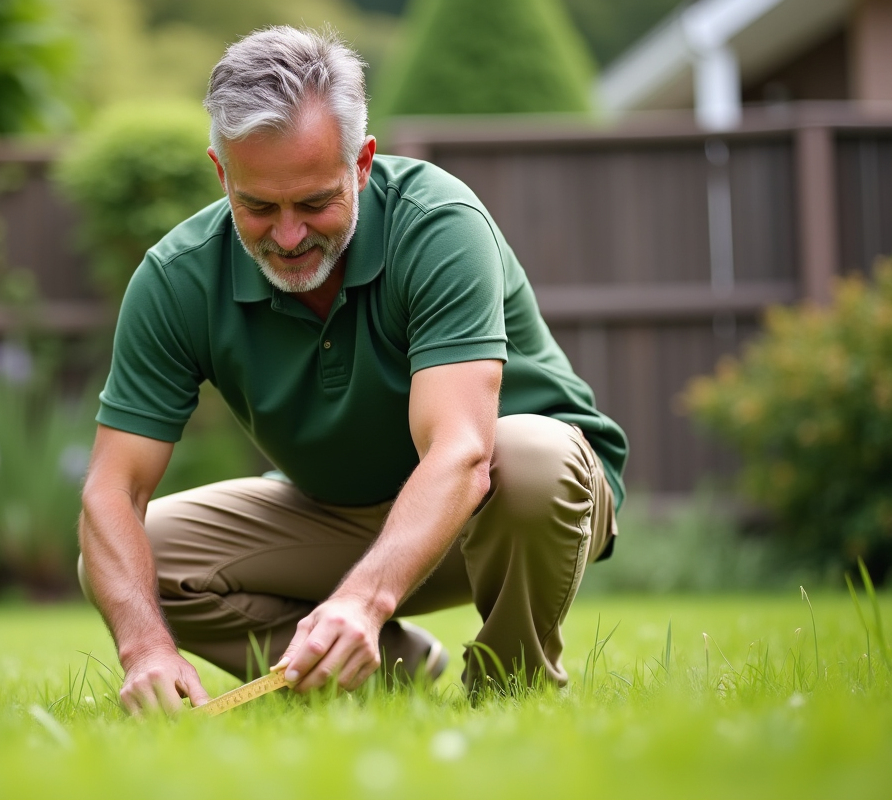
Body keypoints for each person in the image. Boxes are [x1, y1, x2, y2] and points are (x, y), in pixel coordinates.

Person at [77, 26, 628, 716]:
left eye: (314, 203)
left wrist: (363, 600)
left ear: (362, 163)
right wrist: (145, 650)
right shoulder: (176, 277)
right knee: (140, 553)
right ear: (223, 176)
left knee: (530, 456)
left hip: (514, 500)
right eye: (257, 206)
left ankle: (510, 692)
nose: (287, 235)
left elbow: (462, 453)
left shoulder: (437, 224)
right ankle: (386, 674)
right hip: (337, 513)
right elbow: (111, 492)